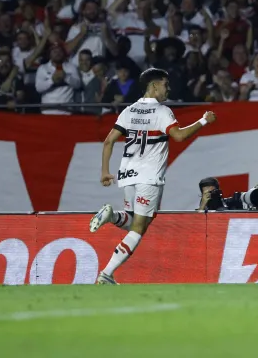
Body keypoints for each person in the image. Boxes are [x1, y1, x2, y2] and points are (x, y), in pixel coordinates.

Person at [88, 68, 217, 284]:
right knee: (139, 227)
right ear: (154, 85)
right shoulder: (162, 112)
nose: (168, 89)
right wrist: (204, 121)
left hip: (128, 174)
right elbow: (179, 136)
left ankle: (112, 217)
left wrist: (104, 171)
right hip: (149, 177)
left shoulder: (129, 111)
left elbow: (109, 141)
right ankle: (106, 274)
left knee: (131, 220)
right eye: (165, 85)